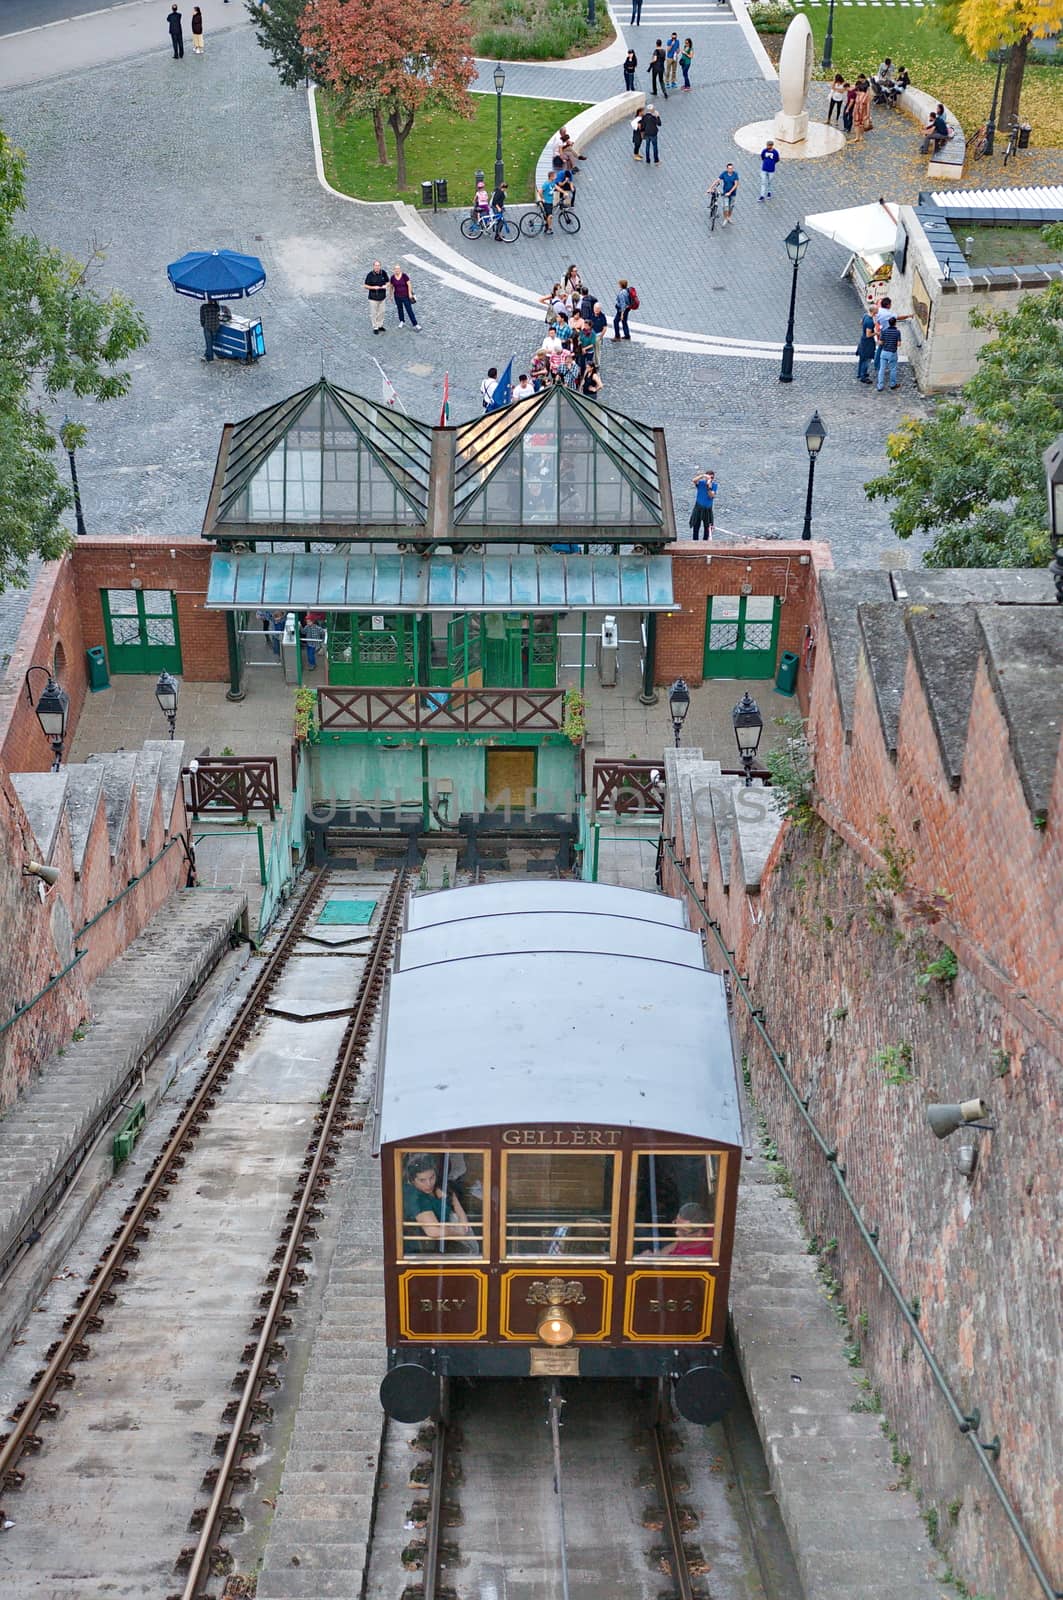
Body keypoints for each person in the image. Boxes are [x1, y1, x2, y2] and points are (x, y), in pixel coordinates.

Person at [402, 1155, 475, 1252]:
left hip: (450, 1239)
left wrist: (464, 1224)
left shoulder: (440, 1185)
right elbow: (433, 1231)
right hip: (429, 1250)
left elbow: (458, 1208)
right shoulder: (415, 1197)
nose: (428, 1183)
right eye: (422, 1180)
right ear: (412, 1180)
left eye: (432, 1177)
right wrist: (459, 1233)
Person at [640, 1202, 714, 1257]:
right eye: (676, 1224)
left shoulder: (696, 1255)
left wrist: (650, 1261)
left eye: (683, 1231)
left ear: (700, 1232)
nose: (677, 1233)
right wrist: (658, 1255)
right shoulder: (708, 1230)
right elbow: (676, 1244)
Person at [690, 470, 717, 539]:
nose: (711, 479)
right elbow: (694, 480)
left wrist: (709, 487)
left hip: (707, 509)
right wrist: (702, 476)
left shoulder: (714, 485)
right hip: (698, 507)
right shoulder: (701, 483)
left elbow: (711, 496)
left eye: (712, 478)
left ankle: (705, 543)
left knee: (707, 528)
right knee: (696, 526)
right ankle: (695, 543)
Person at [390, 264, 419, 329]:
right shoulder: (392, 277)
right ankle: (402, 321)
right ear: (394, 270)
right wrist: (391, 295)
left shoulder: (404, 276)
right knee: (399, 309)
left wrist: (409, 294)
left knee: (409, 310)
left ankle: (415, 324)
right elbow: (391, 287)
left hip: (405, 296)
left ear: (400, 269)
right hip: (397, 296)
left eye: (398, 269)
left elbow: (409, 285)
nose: (397, 270)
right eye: (395, 269)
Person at [877, 316, 902, 390]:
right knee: (893, 369)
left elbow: (880, 342)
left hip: (884, 352)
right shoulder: (897, 332)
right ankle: (892, 384)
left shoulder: (884, 331)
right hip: (892, 353)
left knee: (882, 369)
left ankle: (880, 386)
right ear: (895, 323)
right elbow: (899, 344)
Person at [364, 260, 388, 333]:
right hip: (373, 298)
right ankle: (375, 327)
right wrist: (373, 288)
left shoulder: (383, 273)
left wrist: (386, 285)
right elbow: (365, 285)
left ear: (380, 266)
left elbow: (388, 282)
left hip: (382, 297)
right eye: (376, 265)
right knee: (374, 313)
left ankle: (380, 325)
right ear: (373, 266)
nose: (377, 267)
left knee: (382, 312)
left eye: (378, 265)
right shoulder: (370, 275)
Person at [856, 308, 876, 384]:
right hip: (868, 343)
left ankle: (859, 373)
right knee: (867, 359)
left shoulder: (865, 315)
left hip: (863, 340)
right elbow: (868, 335)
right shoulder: (870, 322)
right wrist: (876, 333)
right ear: (873, 311)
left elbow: (860, 322)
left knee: (862, 358)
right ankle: (863, 376)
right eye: (876, 310)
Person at [199, 295, 221, 360]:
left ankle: (210, 357)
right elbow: (218, 312)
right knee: (212, 342)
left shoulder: (203, 307)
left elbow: (202, 318)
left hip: (207, 326)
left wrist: (203, 325)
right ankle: (208, 353)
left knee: (208, 342)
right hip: (215, 326)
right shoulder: (216, 307)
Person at [851, 77, 872, 142]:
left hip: (863, 112)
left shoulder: (866, 96)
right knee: (856, 125)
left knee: (862, 125)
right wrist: (853, 112)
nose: (855, 93)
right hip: (857, 112)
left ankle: (861, 136)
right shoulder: (858, 96)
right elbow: (855, 104)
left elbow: (868, 106)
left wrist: (868, 115)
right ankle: (857, 137)